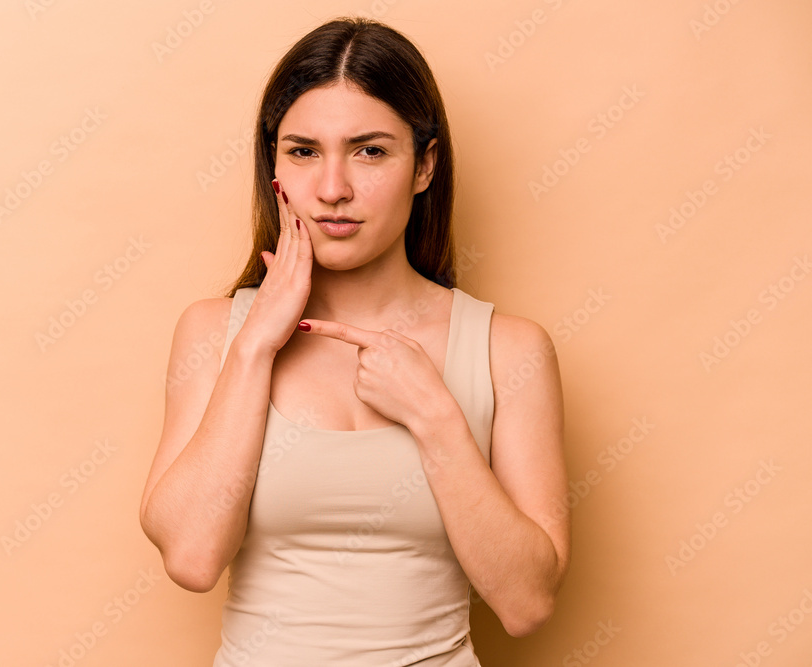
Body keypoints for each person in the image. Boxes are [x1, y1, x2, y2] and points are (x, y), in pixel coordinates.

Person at [139, 16, 570, 666]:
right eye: (303, 151)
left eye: (370, 150)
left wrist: (435, 415)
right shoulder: (215, 332)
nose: (333, 188)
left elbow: (527, 603)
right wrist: (254, 346)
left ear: (424, 165)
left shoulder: (508, 351)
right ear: (274, 165)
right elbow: (193, 557)